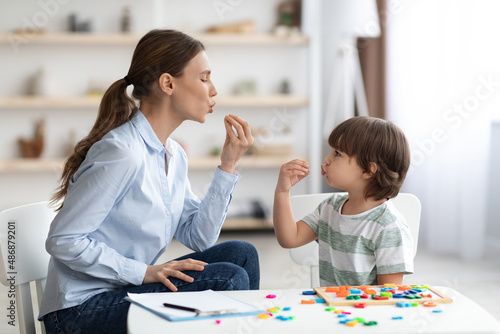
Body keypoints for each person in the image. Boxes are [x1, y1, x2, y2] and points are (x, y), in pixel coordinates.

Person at [38, 29, 260, 333]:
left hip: (123, 293)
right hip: (79, 312)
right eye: (204, 78)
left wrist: (228, 165)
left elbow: (198, 237)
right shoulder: (122, 152)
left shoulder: (174, 155)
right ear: (168, 83)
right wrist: (143, 272)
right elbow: (63, 240)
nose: (214, 90)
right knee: (228, 278)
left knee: (242, 256)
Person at [273, 116, 413, 287]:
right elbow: (289, 238)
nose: (327, 159)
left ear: (369, 170)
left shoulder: (389, 226)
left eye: (337, 154)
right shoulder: (329, 207)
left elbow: (389, 295)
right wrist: (282, 191)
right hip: (330, 309)